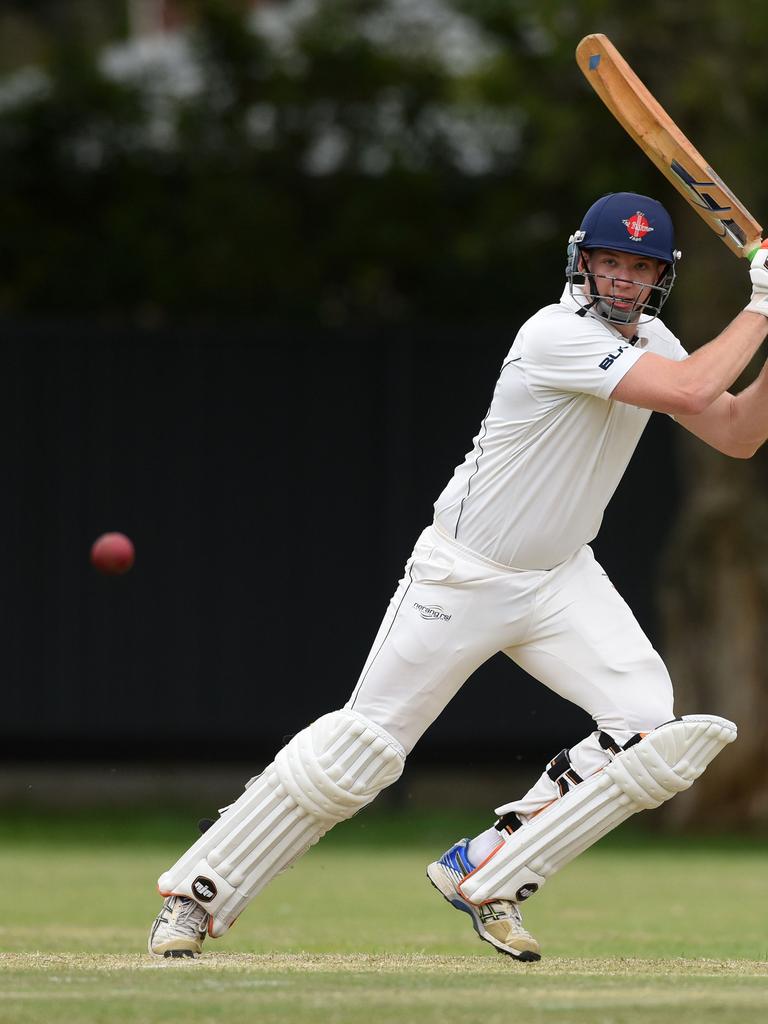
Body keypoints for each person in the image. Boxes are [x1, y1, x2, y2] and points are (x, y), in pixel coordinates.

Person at [148, 192, 768, 961]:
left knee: (646, 729)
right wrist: (764, 305)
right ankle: (193, 897)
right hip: (463, 575)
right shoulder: (552, 335)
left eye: (639, 267)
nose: (622, 279)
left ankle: (487, 869)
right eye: (610, 261)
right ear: (583, 262)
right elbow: (691, 392)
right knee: (361, 752)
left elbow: (737, 431)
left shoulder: (658, 340)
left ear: (659, 279)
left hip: (561, 578)